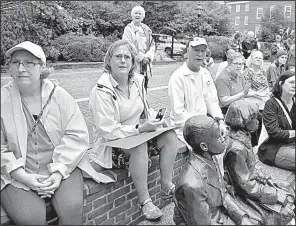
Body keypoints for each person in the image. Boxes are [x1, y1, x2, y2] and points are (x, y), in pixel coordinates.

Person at [1, 41, 114, 225]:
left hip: (61, 166)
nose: (21, 68)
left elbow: (76, 136)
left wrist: (58, 173)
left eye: (29, 63)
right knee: (30, 218)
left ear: (42, 67)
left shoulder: (60, 96)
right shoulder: (2, 99)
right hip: (18, 172)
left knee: (71, 208)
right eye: (16, 62)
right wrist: (24, 177)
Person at [88, 40, 178, 221]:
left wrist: (157, 120)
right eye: (118, 57)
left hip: (137, 135)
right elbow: (107, 131)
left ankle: (166, 186)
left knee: (169, 136)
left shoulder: (137, 81)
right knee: (139, 146)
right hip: (112, 145)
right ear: (109, 61)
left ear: (132, 62)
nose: (123, 60)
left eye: (127, 57)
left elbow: (145, 108)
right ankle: (145, 201)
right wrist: (139, 129)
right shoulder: (101, 91)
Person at [173, 115, 261, 225]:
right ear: (204, 146)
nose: (224, 138)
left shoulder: (210, 158)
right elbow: (204, 223)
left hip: (216, 211)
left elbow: (222, 193)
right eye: (219, 137)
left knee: (258, 220)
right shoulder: (191, 185)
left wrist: (242, 218)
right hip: (207, 220)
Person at [224, 100, 295, 225]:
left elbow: (252, 167)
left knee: (286, 186)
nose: (258, 121)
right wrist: (274, 195)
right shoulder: (236, 149)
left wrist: (266, 178)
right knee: (284, 212)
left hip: (254, 184)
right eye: (254, 119)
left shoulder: (245, 136)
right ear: (242, 122)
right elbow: (245, 186)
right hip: (244, 193)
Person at [168, 37, 228, 149]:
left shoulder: (205, 74)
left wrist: (220, 121)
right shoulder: (178, 77)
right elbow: (179, 114)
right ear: (187, 52)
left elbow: (212, 101)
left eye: (202, 51)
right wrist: (205, 126)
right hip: (185, 129)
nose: (200, 54)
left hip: (205, 126)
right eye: (196, 50)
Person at [258, 71, 295, 171]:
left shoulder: (294, 101)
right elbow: (275, 133)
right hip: (274, 147)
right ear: (281, 83)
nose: (294, 86)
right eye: (291, 82)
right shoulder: (271, 104)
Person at [122, 5, 155, 91]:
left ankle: (143, 104)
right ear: (132, 16)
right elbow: (127, 44)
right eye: (136, 13)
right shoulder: (128, 29)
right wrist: (141, 57)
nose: (138, 15)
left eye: (140, 13)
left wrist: (148, 57)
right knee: (133, 88)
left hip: (145, 64)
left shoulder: (147, 30)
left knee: (144, 87)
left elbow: (152, 45)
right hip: (134, 63)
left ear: (143, 16)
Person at [243, 50, 271, 146]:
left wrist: (267, 93)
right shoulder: (247, 72)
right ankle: (254, 144)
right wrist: (258, 95)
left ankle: (263, 142)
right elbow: (246, 91)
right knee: (256, 124)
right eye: (256, 57)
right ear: (251, 59)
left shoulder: (262, 71)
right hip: (252, 101)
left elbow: (266, 85)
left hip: (263, 100)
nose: (258, 59)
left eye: (260, 58)